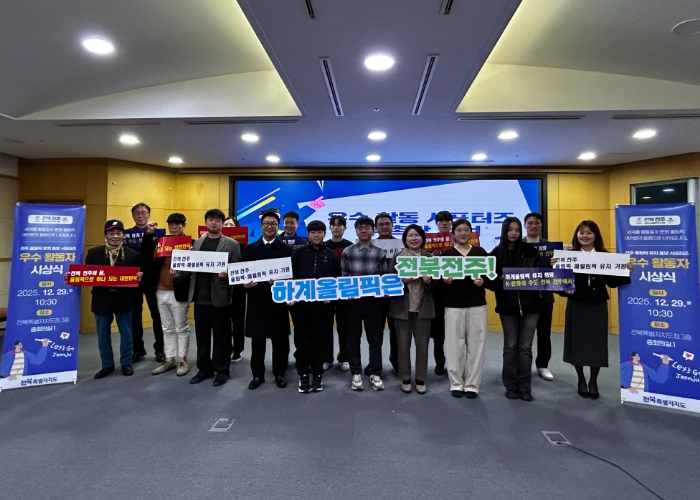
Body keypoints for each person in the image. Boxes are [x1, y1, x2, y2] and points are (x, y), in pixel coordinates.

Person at [561, 220, 633, 399]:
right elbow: (560, 282)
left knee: (597, 344)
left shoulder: (605, 256)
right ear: (577, 235)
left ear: (595, 236)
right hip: (576, 304)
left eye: (589, 233)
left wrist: (626, 270)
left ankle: (593, 380)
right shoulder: (568, 256)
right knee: (576, 343)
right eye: (581, 232)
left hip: (598, 305)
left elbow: (612, 282)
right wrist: (562, 285)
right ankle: (581, 379)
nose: (584, 236)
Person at [488, 216, 547, 401]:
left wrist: (552, 266)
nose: (514, 233)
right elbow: (489, 282)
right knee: (510, 346)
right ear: (504, 231)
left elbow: (543, 275)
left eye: (517, 230)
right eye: (510, 230)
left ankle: (525, 387)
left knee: (525, 348)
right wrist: (499, 280)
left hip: (531, 306)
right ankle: (511, 386)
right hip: (508, 307)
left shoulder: (530, 251)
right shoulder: (496, 253)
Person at [79, 219, 142, 378]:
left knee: (126, 333)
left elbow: (137, 277)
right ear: (105, 235)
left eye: (119, 233)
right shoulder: (94, 253)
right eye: (111, 233)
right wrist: (73, 277)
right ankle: (107, 365)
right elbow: (87, 275)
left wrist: (139, 277)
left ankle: (126, 363)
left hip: (124, 299)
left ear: (123, 235)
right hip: (102, 300)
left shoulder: (132, 254)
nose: (115, 236)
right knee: (103, 335)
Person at [185, 209, 240, 387]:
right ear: (206, 222)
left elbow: (237, 271)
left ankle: (222, 370)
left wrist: (227, 274)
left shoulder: (232, 244)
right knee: (202, 337)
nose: (214, 223)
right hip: (200, 297)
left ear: (222, 223)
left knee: (221, 337)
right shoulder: (197, 243)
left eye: (217, 220)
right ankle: (204, 368)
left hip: (220, 297)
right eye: (210, 219)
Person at [243, 211, 294, 390]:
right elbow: (241, 275)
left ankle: (280, 373)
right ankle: (257, 375)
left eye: (273, 224)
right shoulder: (249, 249)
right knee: (257, 341)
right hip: (256, 301)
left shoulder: (287, 250)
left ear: (278, 227)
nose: (269, 226)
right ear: (261, 226)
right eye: (266, 223)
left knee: (280, 341)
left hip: (277, 302)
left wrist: (281, 283)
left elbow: (292, 277)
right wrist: (244, 285)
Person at [442, 219, 491, 398]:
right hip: (453, 306)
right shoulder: (447, 255)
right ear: (453, 233)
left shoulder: (480, 253)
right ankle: (456, 383)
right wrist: (445, 281)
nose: (463, 233)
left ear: (471, 233)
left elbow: (491, 278)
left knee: (477, 344)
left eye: (466, 230)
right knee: (453, 344)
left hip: (477, 305)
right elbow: (437, 283)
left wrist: (483, 281)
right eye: (459, 230)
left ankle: (472, 384)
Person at [289, 220, 341, 393]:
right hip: (301, 307)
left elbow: (336, 279)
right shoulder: (298, 253)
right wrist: (292, 297)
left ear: (324, 234)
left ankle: (318, 374)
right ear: (308, 234)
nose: (316, 235)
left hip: (323, 308)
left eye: (319, 232)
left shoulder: (331, 255)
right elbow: (291, 277)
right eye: (313, 232)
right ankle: (303, 374)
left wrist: (331, 298)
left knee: (320, 341)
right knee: (302, 341)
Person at [140, 213, 192, 377]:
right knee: (167, 328)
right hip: (160, 290)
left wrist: (181, 274)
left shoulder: (190, 243)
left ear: (184, 225)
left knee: (181, 328)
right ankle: (169, 359)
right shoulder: (161, 241)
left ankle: (182, 360)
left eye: (177, 224)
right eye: (171, 224)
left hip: (179, 291)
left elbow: (194, 270)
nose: (174, 227)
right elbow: (146, 252)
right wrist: (149, 234)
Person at [341, 215, 388, 391]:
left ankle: (375, 372)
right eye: (360, 228)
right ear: (356, 231)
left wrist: (384, 291)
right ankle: (356, 372)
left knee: (375, 338)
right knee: (353, 338)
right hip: (353, 303)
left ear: (372, 230)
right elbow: (344, 277)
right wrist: (348, 292)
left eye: (367, 227)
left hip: (374, 303)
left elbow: (383, 278)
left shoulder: (380, 253)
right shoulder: (348, 252)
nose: (363, 230)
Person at [388, 225, 435, 394]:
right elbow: (389, 281)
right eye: (410, 235)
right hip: (402, 308)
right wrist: (402, 281)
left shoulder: (429, 258)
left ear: (422, 238)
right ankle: (405, 378)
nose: (414, 238)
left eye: (417, 235)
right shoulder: (398, 257)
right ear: (405, 239)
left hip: (423, 308)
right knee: (402, 346)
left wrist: (429, 282)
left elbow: (437, 285)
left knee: (422, 346)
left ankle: (421, 378)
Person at [127, 202, 165, 364]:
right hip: (132, 280)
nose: (140, 215)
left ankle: (160, 348)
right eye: (137, 213)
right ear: (132, 215)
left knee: (157, 315)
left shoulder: (159, 235)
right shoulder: (126, 235)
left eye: (143, 212)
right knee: (134, 316)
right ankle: (137, 349)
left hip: (152, 279)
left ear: (149, 215)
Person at [523, 211, 555, 382]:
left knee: (544, 334)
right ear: (525, 225)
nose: (533, 226)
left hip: (544, 296)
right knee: (522, 335)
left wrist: (555, 264)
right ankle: (522, 365)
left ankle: (543, 365)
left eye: (537, 223)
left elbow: (559, 273)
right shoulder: (517, 244)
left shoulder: (550, 247)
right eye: (530, 223)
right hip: (523, 297)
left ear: (541, 225)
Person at [323, 215, 353, 371]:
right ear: (329, 227)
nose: (336, 227)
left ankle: (344, 357)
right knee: (325, 326)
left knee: (344, 327)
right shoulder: (323, 246)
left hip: (344, 292)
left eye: (339, 225)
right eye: (333, 225)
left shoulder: (350, 246)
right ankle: (326, 357)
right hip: (327, 291)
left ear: (344, 228)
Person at [374, 212, 399, 375]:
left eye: (387, 223)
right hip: (376, 296)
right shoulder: (371, 245)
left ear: (392, 225)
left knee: (397, 332)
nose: (384, 227)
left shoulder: (401, 245)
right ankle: (375, 365)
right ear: (376, 227)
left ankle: (397, 362)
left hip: (397, 296)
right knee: (376, 332)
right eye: (381, 224)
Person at [430, 210, 453, 375]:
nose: (444, 223)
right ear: (436, 223)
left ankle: (454, 364)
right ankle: (439, 362)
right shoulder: (429, 241)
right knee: (438, 331)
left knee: (454, 331)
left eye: (447, 221)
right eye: (441, 221)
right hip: (436, 291)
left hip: (455, 290)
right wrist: (432, 256)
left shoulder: (457, 239)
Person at [223, 215, 245, 363]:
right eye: (226, 225)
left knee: (238, 320)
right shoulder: (218, 244)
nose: (228, 227)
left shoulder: (244, 245)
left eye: (231, 225)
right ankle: (226, 348)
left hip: (238, 288)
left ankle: (237, 349)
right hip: (221, 287)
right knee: (223, 321)